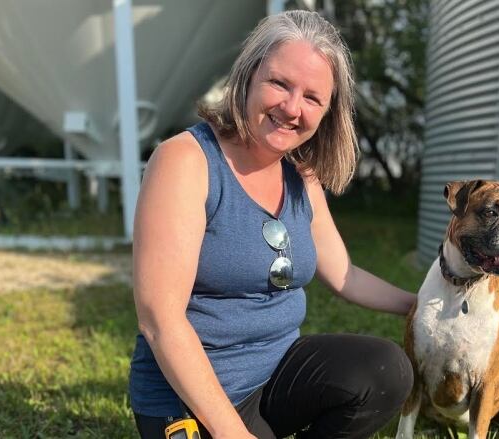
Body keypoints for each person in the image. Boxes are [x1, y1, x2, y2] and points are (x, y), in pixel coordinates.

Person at [128, 10, 416, 439]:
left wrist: (424, 305)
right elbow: (159, 320)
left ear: (327, 112)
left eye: (312, 97)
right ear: (248, 77)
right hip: (186, 399)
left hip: (273, 383)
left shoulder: (302, 175)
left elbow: (346, 275)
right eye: (280, 83)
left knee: (384, 370)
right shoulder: (186, 161)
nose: (291, 108)